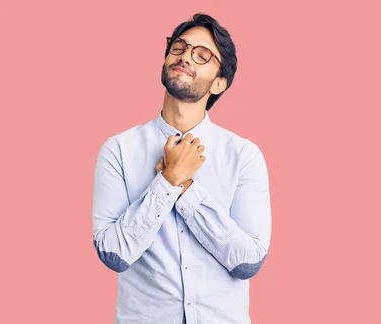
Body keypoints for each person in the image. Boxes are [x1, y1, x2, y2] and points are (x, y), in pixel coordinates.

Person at [91, 13, 271, 324]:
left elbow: (247, 262)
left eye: (202, 54)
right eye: (179, 47)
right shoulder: (118, 149)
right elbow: (114, 254)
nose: (186, 56)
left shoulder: (243, 155)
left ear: (219, 83)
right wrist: (168, 179)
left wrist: (183, 188)